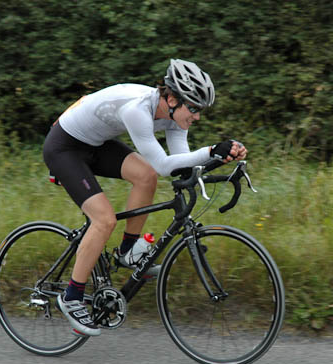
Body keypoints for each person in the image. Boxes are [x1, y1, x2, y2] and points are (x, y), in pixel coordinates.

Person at [43, 59, 247, 336]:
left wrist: (220, 159)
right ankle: (72, 296)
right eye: (195, 108)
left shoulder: (175, 116)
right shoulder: (137, 110)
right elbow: (166, 164)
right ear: (172, 98)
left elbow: (179, 162)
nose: (197, 116)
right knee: (104, 220)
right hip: (64, 148)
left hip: (95, 143)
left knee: (146, 175)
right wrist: (212, 150)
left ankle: (127, 251)